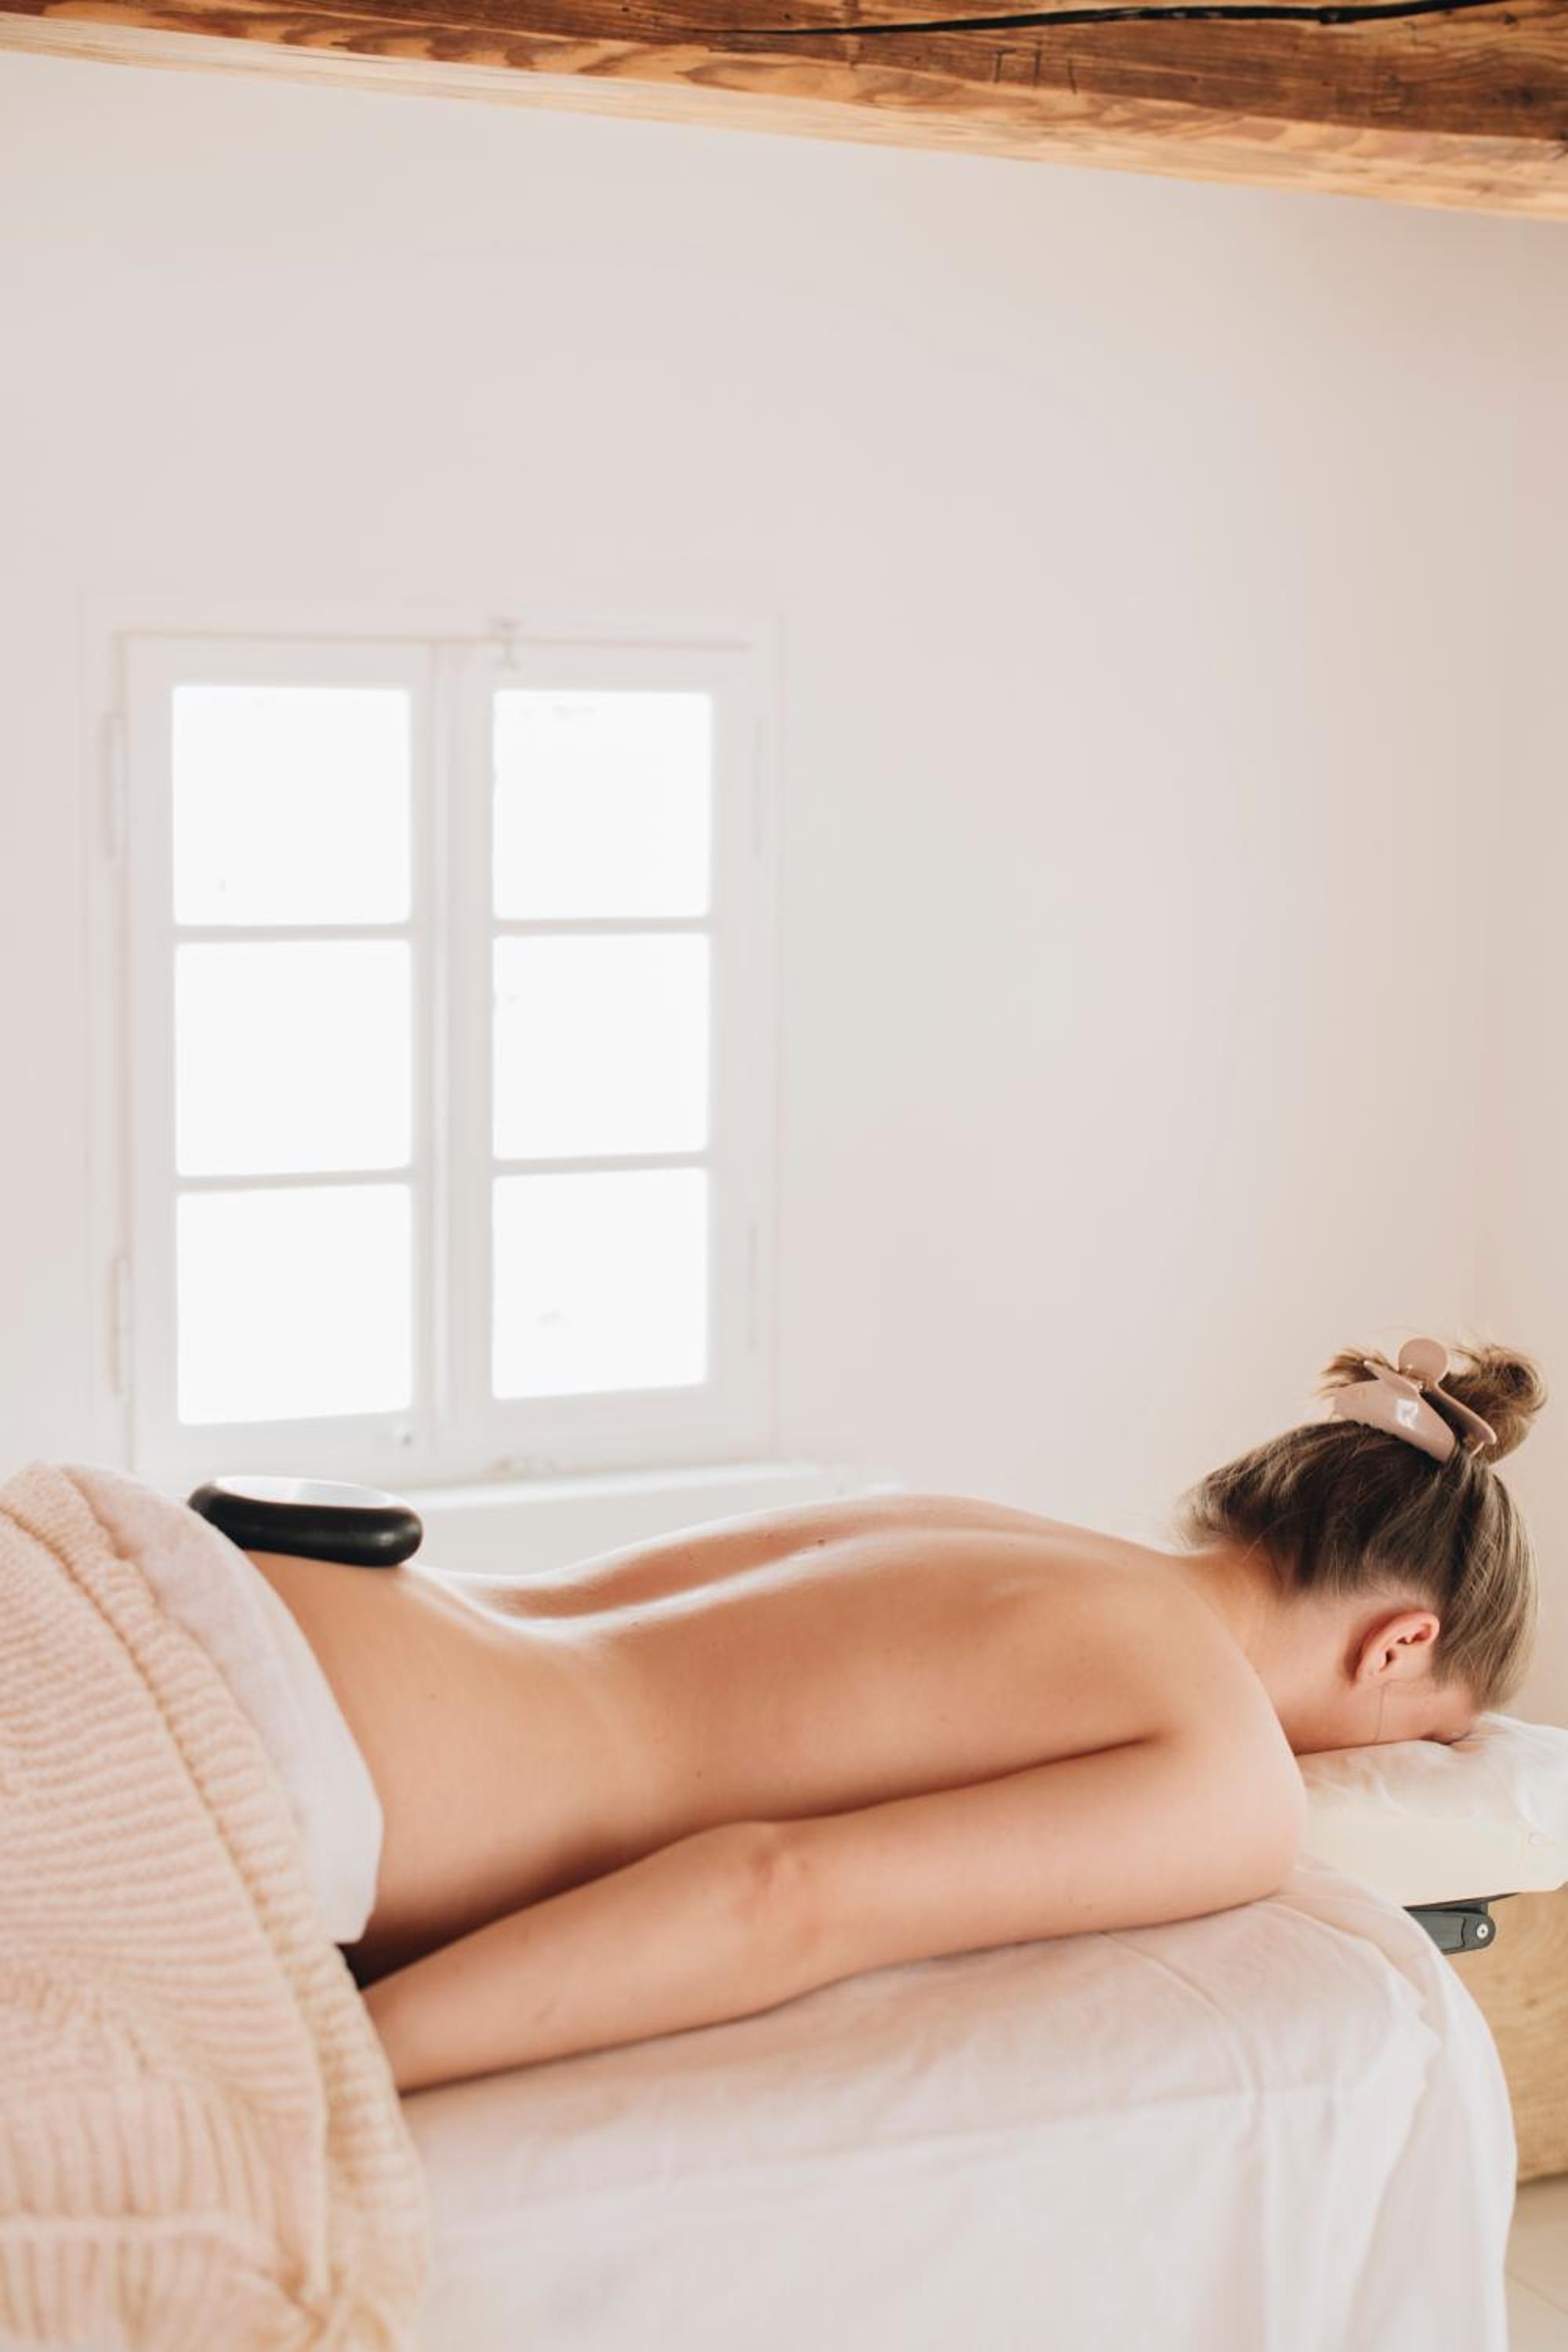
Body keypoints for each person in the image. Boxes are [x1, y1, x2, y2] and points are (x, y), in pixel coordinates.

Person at [242, 1333, 1543, 2095]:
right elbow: (777, 1895)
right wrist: (327, 2070)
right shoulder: (1228, 1770)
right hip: (330, 1772)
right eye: (1428, 1735)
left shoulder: (973, 1523)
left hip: (277, 1598)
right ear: (1400, 1646)